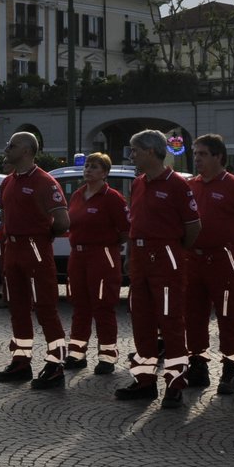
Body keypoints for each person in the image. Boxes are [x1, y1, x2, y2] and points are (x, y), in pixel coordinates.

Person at [118, 129, 202, 408]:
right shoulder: (139, 183)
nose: (132, 156)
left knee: (171, 323)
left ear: (152, 152)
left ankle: (175, 384)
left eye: (135, 151)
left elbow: (193, 227)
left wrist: (173, 251)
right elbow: (134, 224)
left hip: (166, 257)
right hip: (140, 257)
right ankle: (145, 381)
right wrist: (131, 255)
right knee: (141, 321)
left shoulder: (177, 185)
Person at [0, 132, 70, 389]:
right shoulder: (8, 182)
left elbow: (62, 222)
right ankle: (21, 360)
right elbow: (6, 216)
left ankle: (55, 364)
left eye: (11, 145)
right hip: (13, 248)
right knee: (18, 307)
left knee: (45, 307)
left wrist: (40, 237)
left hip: (35, 248)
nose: (6, 148)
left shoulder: (45, 182)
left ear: (26, 151)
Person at [186, 134, 234, 394]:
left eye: (202, 154)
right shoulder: (191, 186)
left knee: (229, 315)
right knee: (193, 315)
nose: (197, 159)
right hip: (194, 259)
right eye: (195, 154)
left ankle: (231, 369)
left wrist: (230, 239)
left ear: (218, 157)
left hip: (223, 260)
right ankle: (198, 364)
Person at [64, 152, 129, 375]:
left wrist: (108, 246)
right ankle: (76, 353)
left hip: (101, 256)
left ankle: (107, 356)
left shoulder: (112, 198)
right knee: (80, 305)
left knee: (103, 306)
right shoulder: (78, 195)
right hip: (78, 256)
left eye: (94, 166)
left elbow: (125, 231)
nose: (88, 169)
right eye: (87, 166)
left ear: (105, 173)